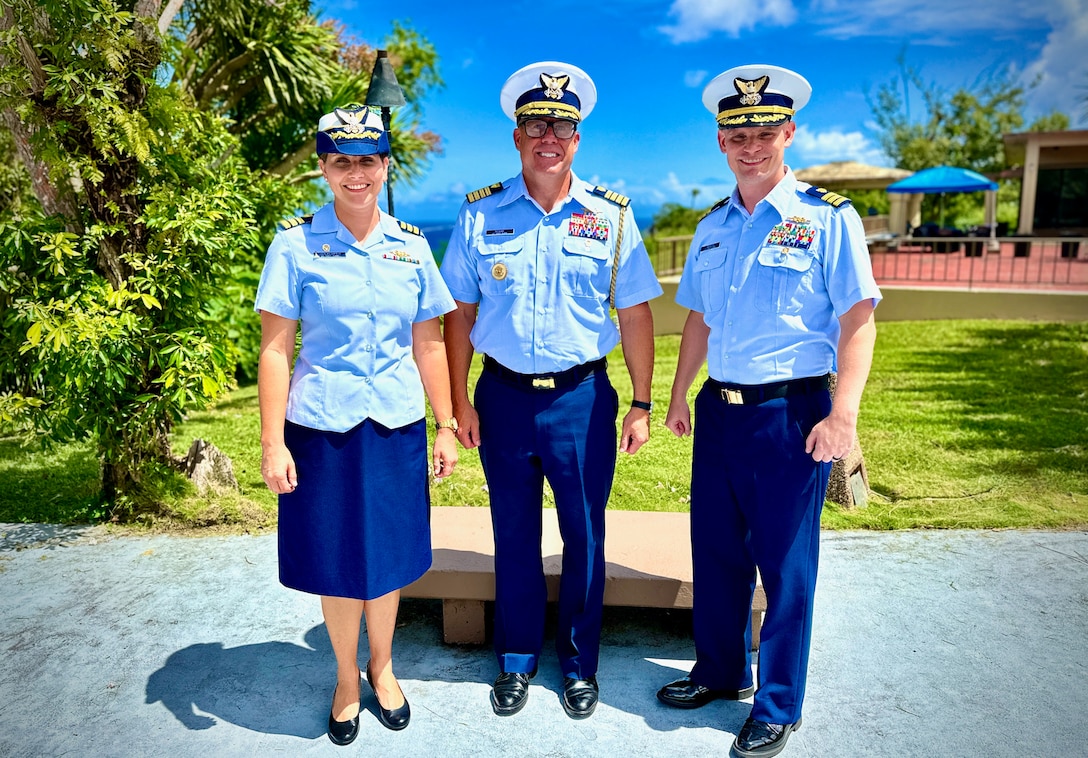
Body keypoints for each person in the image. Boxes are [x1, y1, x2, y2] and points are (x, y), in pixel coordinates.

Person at [655, 65, 881, 758]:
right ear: (720, 141)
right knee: (717, 554)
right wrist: (676, 394)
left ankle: (778, 703)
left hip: (792, 415)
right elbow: (696, 318)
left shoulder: (828, 218)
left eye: (762, 130)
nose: (749, 143)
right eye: (735, 132)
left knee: (786, 565)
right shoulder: (713, 226)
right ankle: (722, 673)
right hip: (719, 414)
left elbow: (859, 318)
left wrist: (843, 415)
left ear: (788, 132)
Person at [440, 61, 662, 720]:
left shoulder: (611, 215)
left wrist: (644, 402)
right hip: (502, 399)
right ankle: (514, 658)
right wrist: (455, 407)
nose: (549, 135)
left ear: (577, 138)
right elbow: (458, 317)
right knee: (512, 532)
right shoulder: (480, 213)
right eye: (536, 122)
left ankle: (577, 661)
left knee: (585, 536)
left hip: (582, 401)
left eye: (562, 125)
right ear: (516, 135)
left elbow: (637, 313)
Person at [255, 104, 458, 746]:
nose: (355, 173)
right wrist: (271, 442)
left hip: (394, 425)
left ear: (384, 166)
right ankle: (346, 676)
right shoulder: (294, 245)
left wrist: (446, 424)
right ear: (323, 168)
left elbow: (429, 345)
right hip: (322, 430)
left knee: (389, 557)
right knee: (340, 559)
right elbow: (276, 350)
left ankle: (384, 665)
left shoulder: (412, 247)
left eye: (367, 160)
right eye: (341, 161)